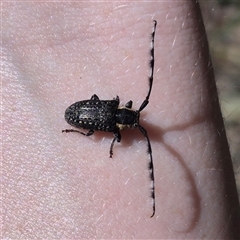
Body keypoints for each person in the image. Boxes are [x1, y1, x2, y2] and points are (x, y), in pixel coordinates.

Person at [3, 2, 240, 238]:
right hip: (80, 113)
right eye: (136, 116)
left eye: (135, 118)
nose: (137, 118)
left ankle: (76, 129)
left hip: (84, 109)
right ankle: (74, 131)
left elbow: (110, 113)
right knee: (88, 132)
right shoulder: (115, 129)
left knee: (90, 130)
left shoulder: (114, 110)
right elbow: (114, 132)